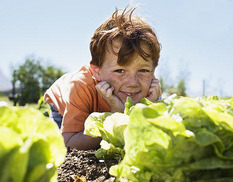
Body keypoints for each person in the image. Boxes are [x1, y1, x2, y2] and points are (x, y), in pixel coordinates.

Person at [44, 6, 162, 150]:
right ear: (97, 71)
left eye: (143, 70)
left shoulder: (151, 89)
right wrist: (114, 117)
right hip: (62, 105)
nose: (132, 83)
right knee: (56, 143)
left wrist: (146, 110)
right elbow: (69, 142)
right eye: (119, 70)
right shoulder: (80, 86)